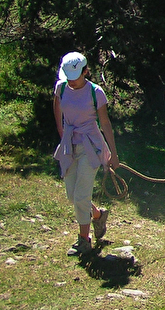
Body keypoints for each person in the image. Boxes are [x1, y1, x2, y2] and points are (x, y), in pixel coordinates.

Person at [52, 52, 119, 256]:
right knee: (73, 195)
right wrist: (63, 135)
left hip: (91, 146)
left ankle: (83, 240)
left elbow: (105, 123)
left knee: (81, 194)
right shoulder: (61, 88)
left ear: (85, 71)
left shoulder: (95, 93)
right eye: (69, 76)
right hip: (70, 145)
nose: (72, 80)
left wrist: (113, 154)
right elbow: (57, 110)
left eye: (76, 75)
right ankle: (98, 215)